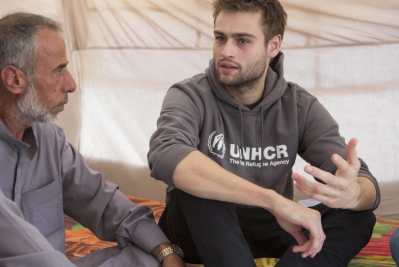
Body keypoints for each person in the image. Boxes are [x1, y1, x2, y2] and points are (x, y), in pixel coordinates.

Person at [0, 12, 185, 267]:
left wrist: (164, 250)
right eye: (59, 71)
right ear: (14, 79)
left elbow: (102, 202)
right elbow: (12, 246)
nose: (71, 84)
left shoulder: (49, 138)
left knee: (147, 256)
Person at [147, 0, 381, 266]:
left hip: (274, 227)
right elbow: (165, 153)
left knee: (358, 215)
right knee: (197, 189)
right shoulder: (189, 94)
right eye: (220, 38)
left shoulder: (299, 105)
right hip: (202, 230)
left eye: (243, 41)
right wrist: (272, 200)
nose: (227, 51)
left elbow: (363, 180)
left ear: (274, 45)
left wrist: (355, 194)